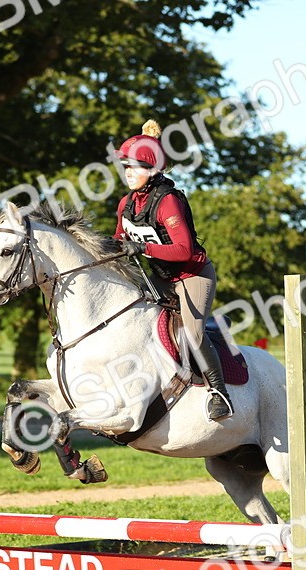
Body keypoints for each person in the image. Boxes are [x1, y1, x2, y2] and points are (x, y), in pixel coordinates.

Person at [113, 120, 233, 422]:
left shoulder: (167, 201)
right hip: (160, 279)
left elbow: (184, 250)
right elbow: (118, 240)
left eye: (134, 167)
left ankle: (219, 393)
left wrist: (142, 248)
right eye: (125, 167)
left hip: (193, 276)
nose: (128, 173)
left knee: (192, 333)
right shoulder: (126, 204)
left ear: (152, 169)